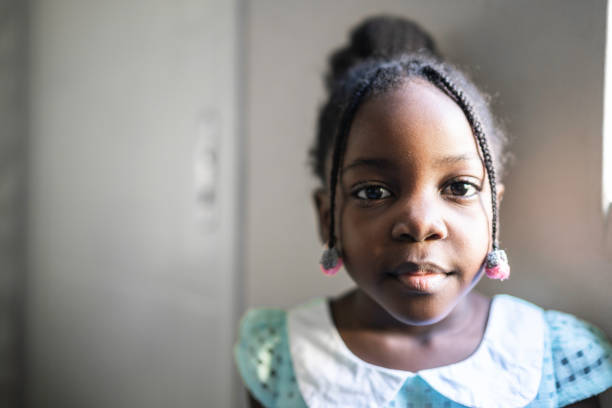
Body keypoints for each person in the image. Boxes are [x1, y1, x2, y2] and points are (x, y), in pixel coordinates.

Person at [234, 16, 612, 407]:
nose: (419, 222)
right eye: (374, 190)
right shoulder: (281, 358)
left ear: (494, 213)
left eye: (459, 187)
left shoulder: (556, 360)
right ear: (328, 218)